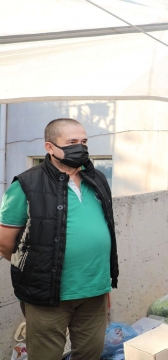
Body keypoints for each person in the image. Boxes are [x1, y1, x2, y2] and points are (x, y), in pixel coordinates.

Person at [0, 118, 117, 360]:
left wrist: (104, 284)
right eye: (72, 142)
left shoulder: (97, 180)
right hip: (47, 294)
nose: (81, 147)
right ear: (49, 147)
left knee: (90, 354)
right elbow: (4, 242)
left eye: (84, 141)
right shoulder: (26, 184)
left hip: (94, 290)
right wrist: (37, 265)